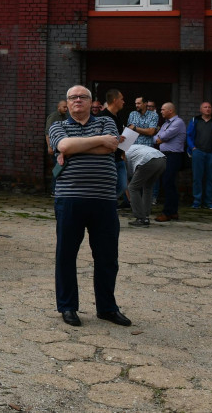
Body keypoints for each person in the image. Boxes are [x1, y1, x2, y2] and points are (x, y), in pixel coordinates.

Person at [47, 85, 130, 328]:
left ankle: (107, 308)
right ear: (67, 102)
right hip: (69, 199)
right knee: (66, 255)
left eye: (82, 97)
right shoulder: (58, 126)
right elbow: (63, 147)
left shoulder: (105, 122)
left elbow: (111, 147)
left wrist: (78, 146)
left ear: (91, 102)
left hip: (104, 200)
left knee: (107, 257)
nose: (77, 101)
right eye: (72, 97)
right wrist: (98, 143)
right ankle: (68, 307)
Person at [186, 102, 212, 210]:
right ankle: (197, 202)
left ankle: (208, 202)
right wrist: (193, 148)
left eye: (209, 107)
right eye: (205, 107)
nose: (208, 109)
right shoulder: (195, 121)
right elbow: (189, 135)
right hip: (198, 152)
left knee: (210, 178)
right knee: (197, 178)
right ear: (200, 110)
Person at [153, 103, 186, 222]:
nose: (161, 111)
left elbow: (164, 136)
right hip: (165, 155)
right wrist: (159, 138)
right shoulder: (166, 123)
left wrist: (160, 138)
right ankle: (173, 212)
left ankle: (168, 212)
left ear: (170, 110)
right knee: (168, 183)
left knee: (168, 183)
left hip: (174, 156)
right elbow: (156, 138)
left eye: (163, 109)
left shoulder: (178, 123)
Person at [124, 143, 166, 227]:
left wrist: (131, 200)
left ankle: (141, 218)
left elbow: (126, 180)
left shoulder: (122, 155)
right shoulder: (130, 148)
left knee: (132, 188)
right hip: (162, 159)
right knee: (148, 187)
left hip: (148, 160)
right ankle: (145, 216)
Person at [100, 89, 128, 199]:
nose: (123, 102)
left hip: (119, 158)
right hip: (107, 159)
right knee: (107, 186)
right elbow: (97, 137)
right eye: (122, 99)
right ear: (115, 100)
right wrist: (116, 138)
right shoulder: (102, 116)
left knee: (123, 185)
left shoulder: (118, 116)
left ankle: (108, 202)